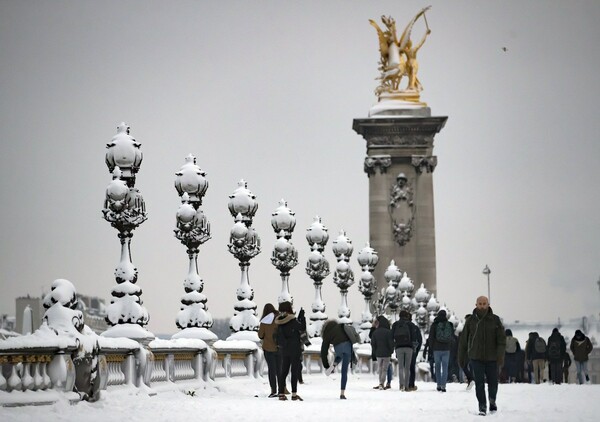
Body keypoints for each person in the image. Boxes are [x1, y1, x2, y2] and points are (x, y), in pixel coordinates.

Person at [458, 296, 506, 416]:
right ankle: (482, 406)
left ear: (488, 304)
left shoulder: (495, 320)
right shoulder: (471, 321)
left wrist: (500, 355)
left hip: (492, 357)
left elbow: (501, 340)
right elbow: (464, 340)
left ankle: (492, 400)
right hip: (476, 357)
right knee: (479, 383)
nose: (482, 306)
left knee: (493, 382)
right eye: (480, 304)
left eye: (484, 303)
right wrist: (461, 356)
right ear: (476, 305)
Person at [321, 319, 357, 399]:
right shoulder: (341, 326)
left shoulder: (327, 333)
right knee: (344, 371)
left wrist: (326, 365)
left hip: (338, 347)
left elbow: (323, 351)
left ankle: (334, 365)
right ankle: (342, 393)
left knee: (339, 355)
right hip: (347, 345)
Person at [275, 301, 303, 401]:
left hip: (284, 349)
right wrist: (302, 318)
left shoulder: (280, 321)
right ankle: (294, 394)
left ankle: (281, 393)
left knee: (284, 372)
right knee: (294, 371)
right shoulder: (292, 320)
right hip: (294, 349)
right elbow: (302, 328)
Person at [391, 310, 417, 391]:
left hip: (399, 347)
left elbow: (391, 336)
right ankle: (406, 386)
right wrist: (414, 348)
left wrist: (395, 346)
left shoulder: (395, 324)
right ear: (407, 316)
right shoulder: (411, 325)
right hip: (409, 347)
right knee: (407, 367)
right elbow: (414, 337)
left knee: (401, 367)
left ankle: (401, 385)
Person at [258, 303, 279, 398]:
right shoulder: (279, 319)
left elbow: (260, 335)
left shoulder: (264, 321)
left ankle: (273, 390)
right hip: (279, 348)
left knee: (272, 370)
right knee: (279, 370)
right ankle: (281, 389)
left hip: (268, 349)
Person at [429, 309, 453, 392]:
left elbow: (431, 338)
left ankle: (438, 385)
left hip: (436, 349)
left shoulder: (434, 325)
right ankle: (443, 385)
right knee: (445, 368)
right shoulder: (449, 324)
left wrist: (431, 348)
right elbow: (452, 337)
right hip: (446, 349)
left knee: (438, 367)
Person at [370, 315, 394, 390]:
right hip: (387, 353)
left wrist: (375, 351)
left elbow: (373, 343)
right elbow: (391, 343)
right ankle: (382, 383)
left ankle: (380, 382)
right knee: (385, 369)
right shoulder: (388, 332)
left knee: (380, 368)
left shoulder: (375, 332)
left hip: (378, 353)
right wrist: (391, 351)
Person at [407, 311, 423, 391]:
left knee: (403, 367)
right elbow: (420, 340)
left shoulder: (400, 326)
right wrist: (416, 351)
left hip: (402, 349)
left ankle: (403, 384)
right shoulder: (415, 327)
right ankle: (411, 384)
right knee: (411, 368)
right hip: (412, 350)